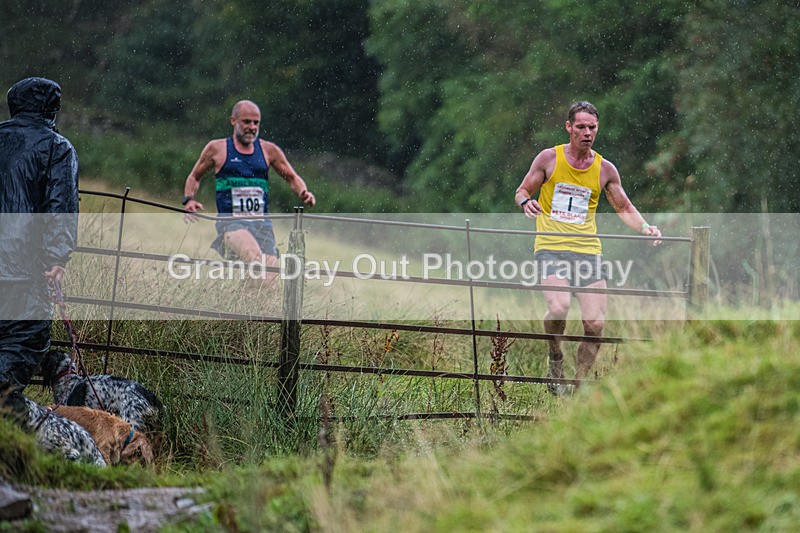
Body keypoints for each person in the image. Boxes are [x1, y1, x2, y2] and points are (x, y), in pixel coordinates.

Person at [514, 101, 661, 395]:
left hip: (587, 252)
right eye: (580, 127)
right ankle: (555, 358)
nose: (587, 133)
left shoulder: (605, 169)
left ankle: (577, 388)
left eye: (592, 127)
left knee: (595, 324)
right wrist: (526, 202)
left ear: (597, 129)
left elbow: (624, 206)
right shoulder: (549, 158)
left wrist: (645, 227)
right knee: (559, 307)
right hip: (551, 247)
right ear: (569, 127)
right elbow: (522, 190)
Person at [0, 77, 79, 391]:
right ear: (52, 109)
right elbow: (60, 207)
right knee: (21, 344)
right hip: (24, 271)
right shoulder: (57, 148)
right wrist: (57, 257)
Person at [181, 100, 316, 283]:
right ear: (233, 121)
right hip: (232, 223)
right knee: (256, 265)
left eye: (256, 122)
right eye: (246, 122)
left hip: (262, 225)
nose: (252, 127)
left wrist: (303, 192)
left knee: (269, 280)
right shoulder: (217, 148)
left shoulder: (269, 150)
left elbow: (292, 178)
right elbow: (194, 177)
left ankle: (242, 302)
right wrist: (188, 199)